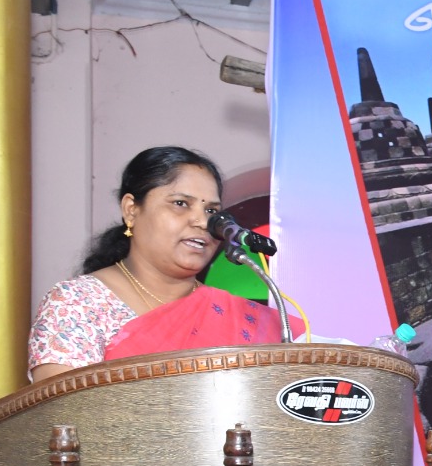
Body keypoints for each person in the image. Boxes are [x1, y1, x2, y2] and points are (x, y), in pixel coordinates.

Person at [27, 146, 301, 382]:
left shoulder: (238, 316)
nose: (202, 222)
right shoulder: (77, 303)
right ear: (131, 210)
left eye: (211, 211)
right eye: (180, 203)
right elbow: (64, 414)